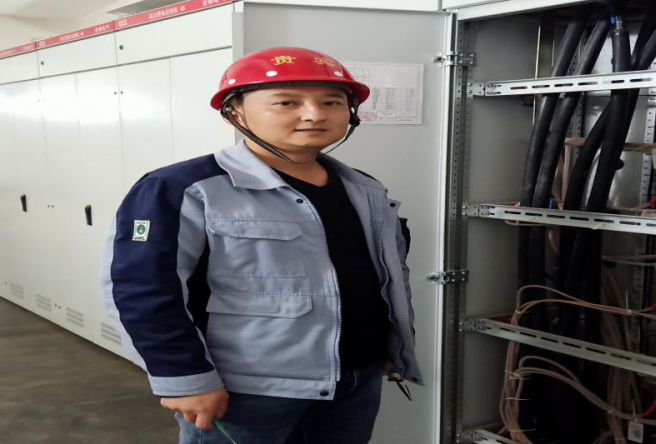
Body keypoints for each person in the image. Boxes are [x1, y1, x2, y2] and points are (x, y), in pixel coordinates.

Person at [100, 46, 422, 444]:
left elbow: (384, 277)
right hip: (247, 391)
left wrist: (392, 344)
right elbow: (141, 289)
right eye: (287, 102)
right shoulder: (183, 188)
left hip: (356, 379)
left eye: (332, 102)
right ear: (234, 112)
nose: (314, 114)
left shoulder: (365, 189)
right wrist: (184, 377)